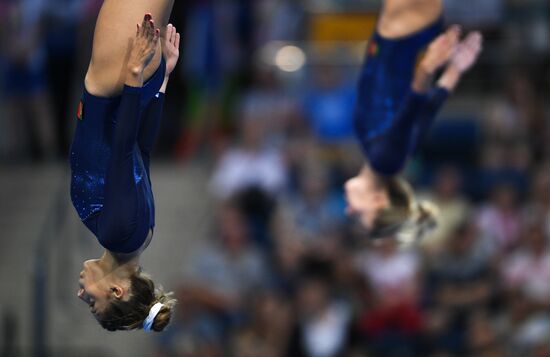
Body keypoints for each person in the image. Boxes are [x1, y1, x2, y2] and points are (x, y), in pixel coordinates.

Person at [70, 0, 179, 332]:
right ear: (117, 291)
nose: (80, 294)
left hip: (135, 83)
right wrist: (133, 74)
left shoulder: (142, 236)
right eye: (92, 301)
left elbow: (142, 151)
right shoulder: (117, 234)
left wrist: (161, 82)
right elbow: (121, 150)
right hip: (117, 83)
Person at [345, 0, 482, 240]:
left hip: (401, 33)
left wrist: (455, 69)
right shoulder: (386, 161)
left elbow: (427, 110)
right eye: (360, 214)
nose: (350, 210)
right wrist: (427, 67)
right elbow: (414, 106)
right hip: (403, 34)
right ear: (379, 200)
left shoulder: (391, 158)